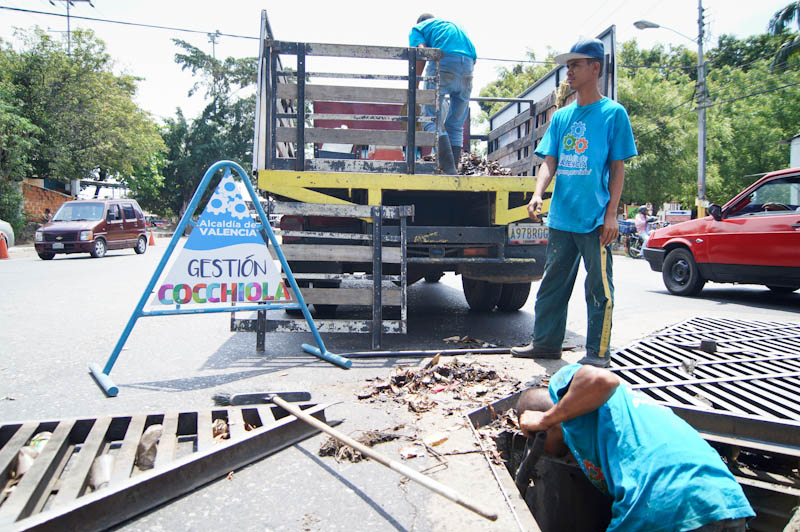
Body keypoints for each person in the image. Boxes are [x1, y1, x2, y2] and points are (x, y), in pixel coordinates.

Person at [511, 38, 637, 367]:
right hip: (562, 218)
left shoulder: (613, 114)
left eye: (576, 64)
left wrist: (612, 215)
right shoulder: (562, 116)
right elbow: (549, 160)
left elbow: (617, 166)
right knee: (552, 285)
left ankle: (598, 353)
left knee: (599, 288)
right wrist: (538, 193)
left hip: (595, 220)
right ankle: (546, 344)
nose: (569, 70)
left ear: (595, 68)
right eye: (568, 65)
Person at [517, 364, 755, 532]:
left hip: (666, 507)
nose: (540, 452)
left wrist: (545, 419)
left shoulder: (562, 391)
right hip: (726, 504)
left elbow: (603, 379)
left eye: (533, 438)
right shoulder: (617, 418)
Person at [409, 13, 476, 175]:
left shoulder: (418, 28)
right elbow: (474, 59)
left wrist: (416, 87)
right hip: (467, 67)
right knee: (456, 123)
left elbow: (422, 53)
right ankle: (453, 168)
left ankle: (448, 168)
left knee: (431, 118)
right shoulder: (453, 27)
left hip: (444, 60)